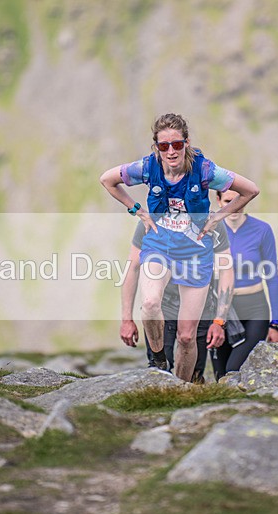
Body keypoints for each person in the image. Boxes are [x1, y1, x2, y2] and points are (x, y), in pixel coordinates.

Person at [100, 113, 259, 381]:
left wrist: (218, 216)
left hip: (196, 254)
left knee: (187, 337)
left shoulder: (206, 171)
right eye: (164, 146)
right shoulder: (148, 168)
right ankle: (160, 361)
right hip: (159, 245)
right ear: (156, 147)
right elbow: (107, 179)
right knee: (150, 303)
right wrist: (137, 210)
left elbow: (250, 190)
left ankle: (180, 389)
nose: (171, 151)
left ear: (186, 143)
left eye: (177, 144)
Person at [119, 219, 235, 383]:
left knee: (194, 374)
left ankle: (183, 397)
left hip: (200, 310)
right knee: (158, 369)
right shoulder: (152, 219)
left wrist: (219, 320)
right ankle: (162, 401)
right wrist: (126, 319)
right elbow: (132, 268)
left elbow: (226, 270)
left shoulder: (212, 222)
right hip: (164, 309)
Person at [211, 190, 278, 381]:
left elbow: (272, 278)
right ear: (218, 201)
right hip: (221, 311)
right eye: (227, 201)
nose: (234, 206)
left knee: (234, 369)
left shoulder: (262, 230)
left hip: (254, 308)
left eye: (238, 201)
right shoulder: (210, 229)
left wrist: (276, 324)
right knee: (220, 375)